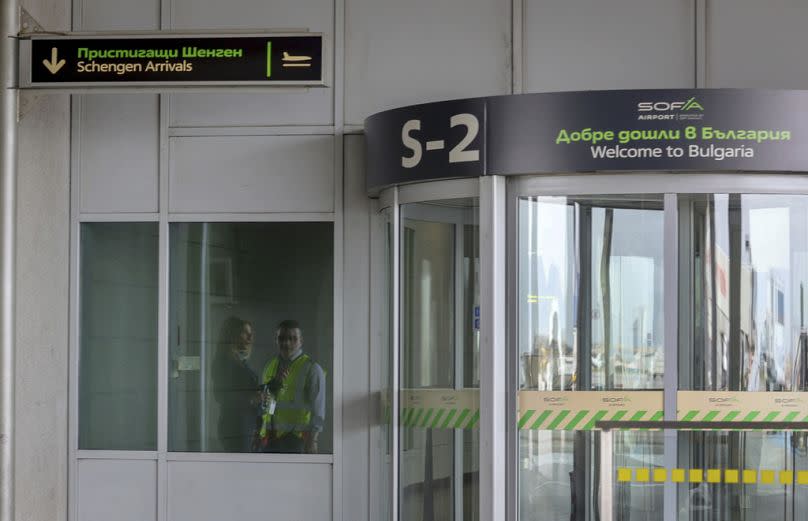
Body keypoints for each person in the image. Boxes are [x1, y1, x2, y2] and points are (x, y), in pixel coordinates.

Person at [257, 319, 326, 454]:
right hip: (270, 438)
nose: (286, 343)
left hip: (297, 440)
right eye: (281, 338)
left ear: (301, 341)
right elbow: (269, 405)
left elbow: (318, 410)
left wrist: (313, 441)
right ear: (275, 340)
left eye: (292, 338)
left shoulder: (311, 368)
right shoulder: (269, 366)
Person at [212, 316, 260, 452]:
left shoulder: (241, 361)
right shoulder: (224, 363)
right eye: (245, 333)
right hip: (235, 427)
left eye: (251, 334)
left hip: (245, 426)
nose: (250, 337)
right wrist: (251, 399)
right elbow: (220, 395)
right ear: (232, 336)